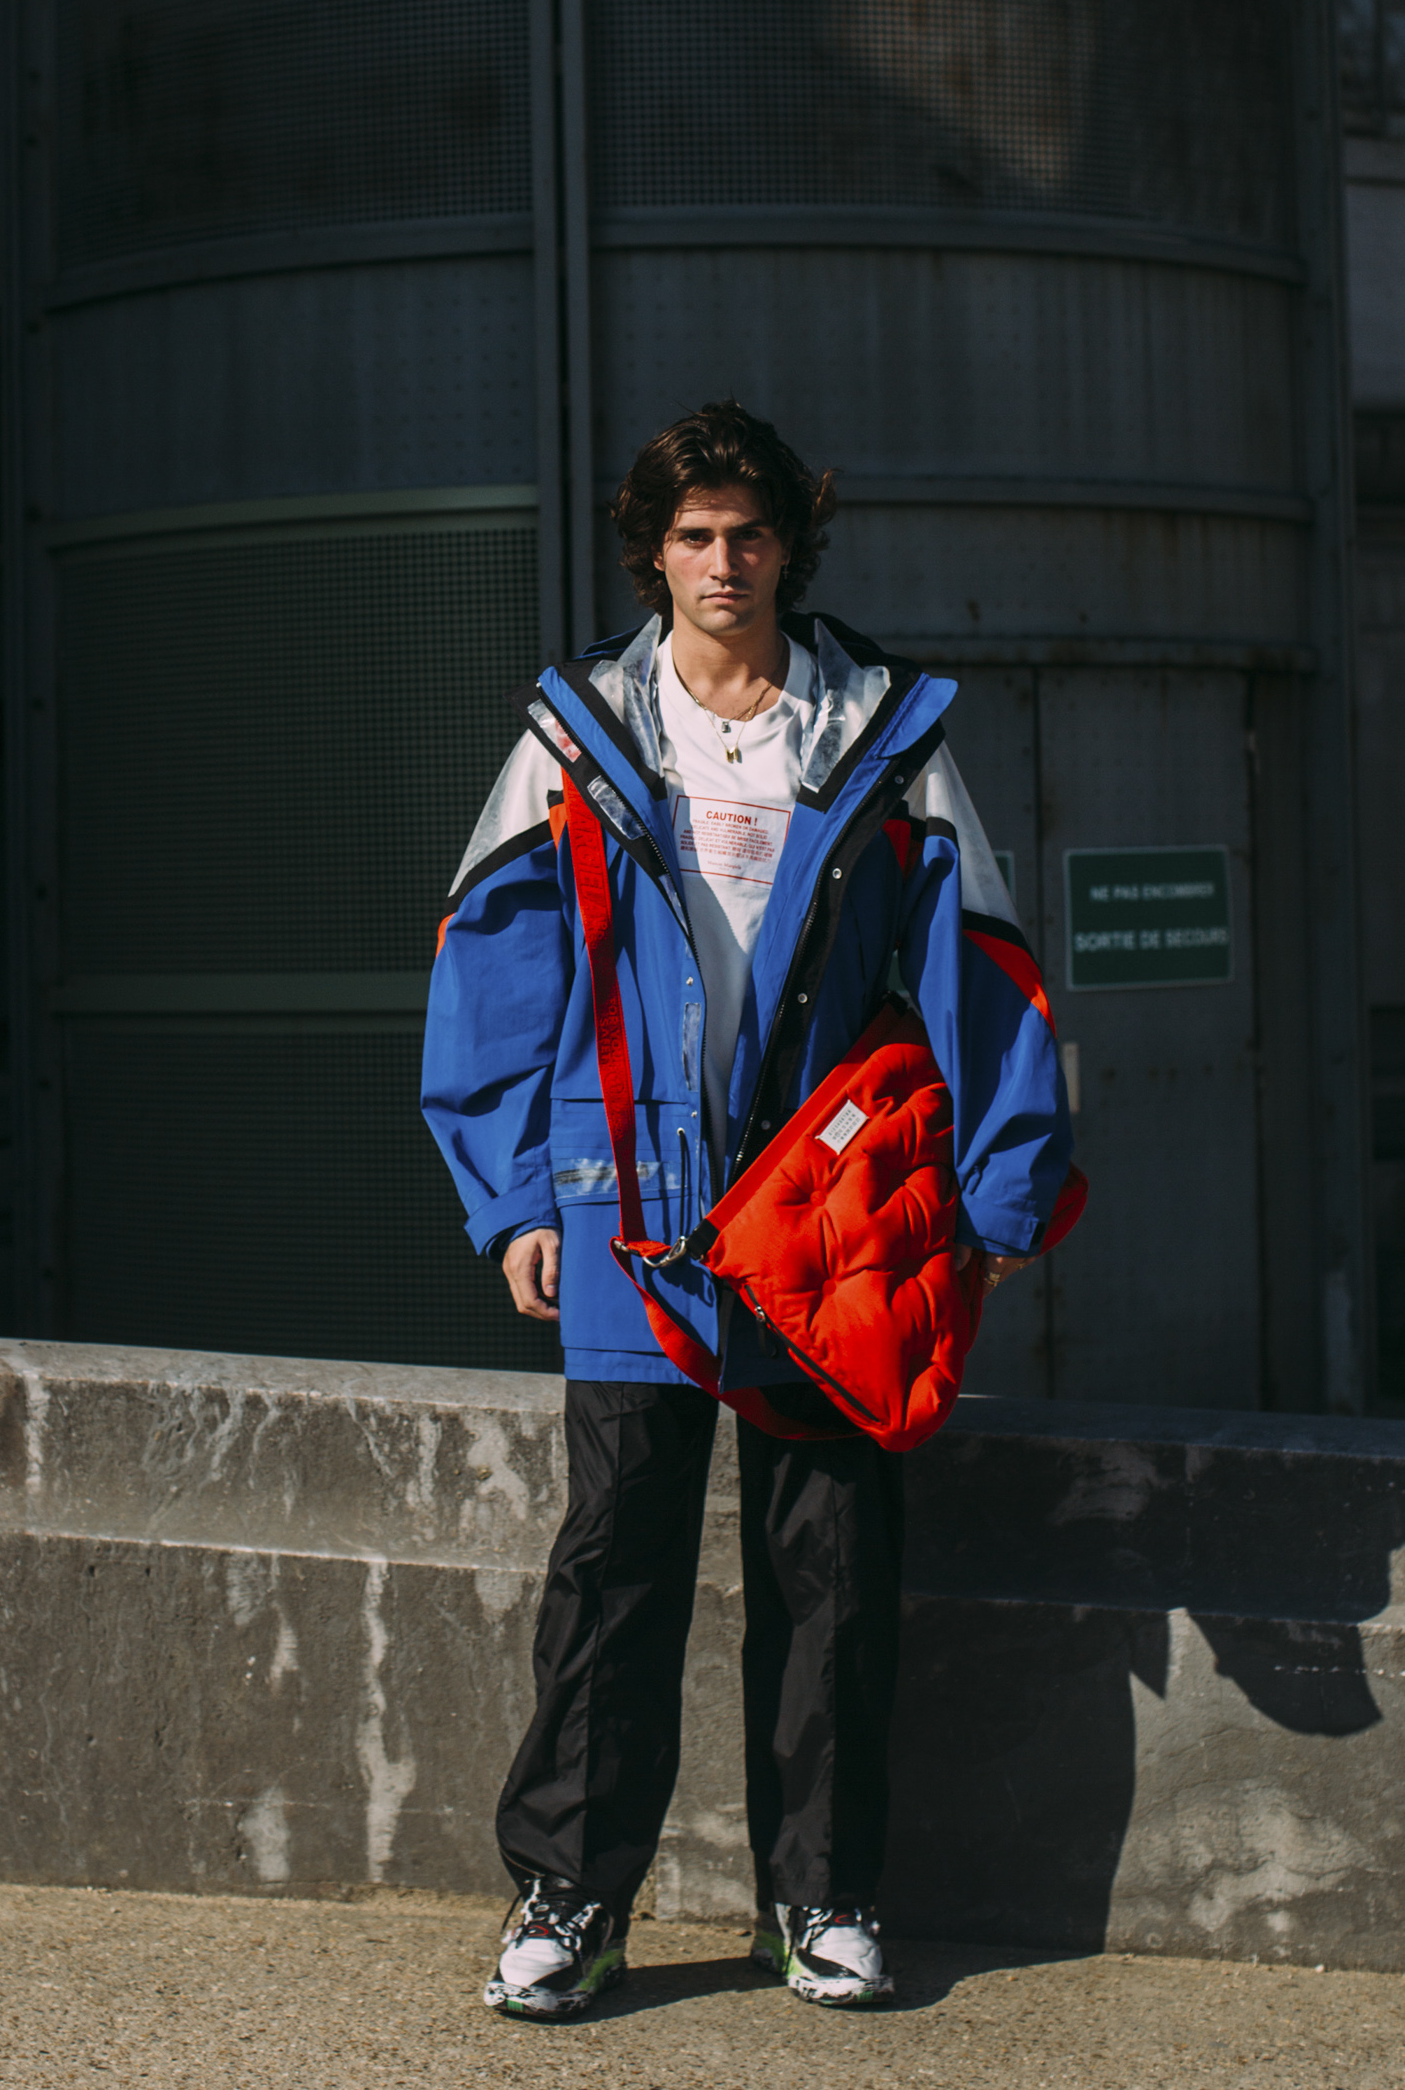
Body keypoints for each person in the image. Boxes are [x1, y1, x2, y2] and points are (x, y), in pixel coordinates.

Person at [421, 400, 1076, 2020]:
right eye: (695, 534)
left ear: (793, 545)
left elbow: (981, 966)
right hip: (625, 1213)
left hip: (827, 1227)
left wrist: (997, 1188)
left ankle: (829, 1901)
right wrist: (511, 1198)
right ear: (653, 549)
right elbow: (493, 968)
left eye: (753, 533)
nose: (726, 562)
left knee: (833, 1562)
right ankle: (573, 1901)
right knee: (614, 1564)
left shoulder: (878, 735)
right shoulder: (573, 737)